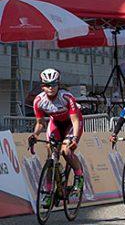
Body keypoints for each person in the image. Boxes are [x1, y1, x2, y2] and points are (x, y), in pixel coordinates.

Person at [28, 69, 84, 208]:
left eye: (53, 84)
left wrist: (75, 139)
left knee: (66, 151)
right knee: (51, 157)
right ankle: (48, 192)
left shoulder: (66, 97)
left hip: (71, 124)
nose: (51, 88)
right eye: (47, 85)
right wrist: (35, 135)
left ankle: (79, 175)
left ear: (58, 84)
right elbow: (40, 123)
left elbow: (76, 121)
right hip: (56, 124)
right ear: (42, 86)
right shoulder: (39, 101)